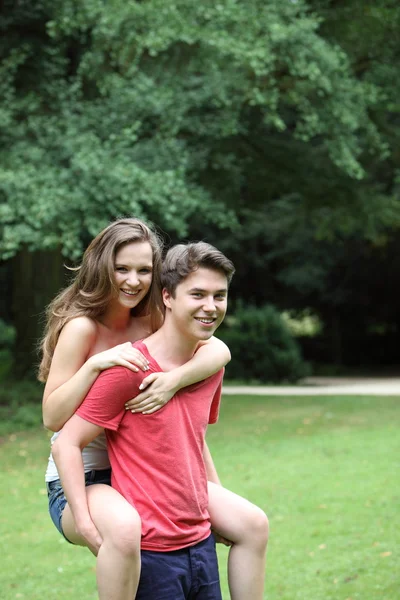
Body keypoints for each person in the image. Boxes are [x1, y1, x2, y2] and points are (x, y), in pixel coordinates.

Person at [41, 219, 268, 599]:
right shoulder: (82, 328)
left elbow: (217, 352)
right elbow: (53, 420)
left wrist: (173, 381)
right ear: (103, 268)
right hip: (87, 474)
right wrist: (97, 365)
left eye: (144, 270)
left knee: (251, 524)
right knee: (126, 529)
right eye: (122, 269)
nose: (134, 280)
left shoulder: (152, 320)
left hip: (145, 469)